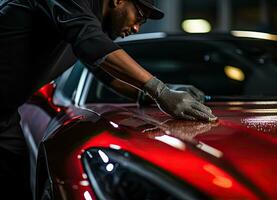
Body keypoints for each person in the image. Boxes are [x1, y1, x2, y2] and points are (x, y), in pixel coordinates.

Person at [0, 0, 217, 198]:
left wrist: (153, 93)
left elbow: (105, 70)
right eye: (139, 17)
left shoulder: (86, 25)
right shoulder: (76, 8)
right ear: (118, 0)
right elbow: (91, 42)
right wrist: (160, 91)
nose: (135, 28)